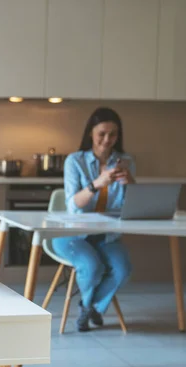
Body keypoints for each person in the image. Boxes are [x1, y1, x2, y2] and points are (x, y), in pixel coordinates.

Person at [52, 107, 135, 332]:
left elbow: (131, 207)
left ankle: (89, 307)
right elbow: (73, 204)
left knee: (123, 269)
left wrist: (131, 185)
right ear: (91, 133)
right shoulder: (74, 161)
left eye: (113, 134)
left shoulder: (125, 162)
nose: (107, 140)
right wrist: (97, 183)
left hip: (107, 235)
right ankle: (92, 309)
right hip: (72, 234)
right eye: (102, 134)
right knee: (91, 266)